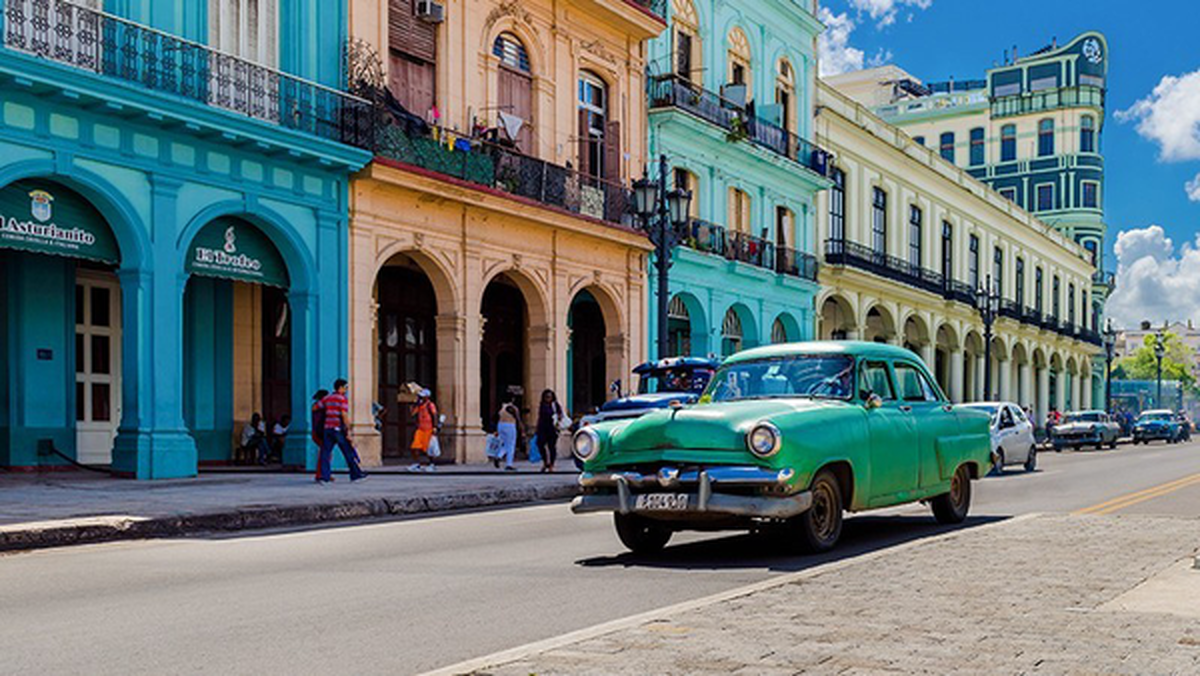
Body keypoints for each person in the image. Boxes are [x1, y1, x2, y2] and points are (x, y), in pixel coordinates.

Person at [315, 379, 367, 484]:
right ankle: (355, 475)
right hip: (338, 429)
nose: (346, 390)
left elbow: (315, 408)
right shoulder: (342, 399)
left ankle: (324, 477)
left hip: (327, 429)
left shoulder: (327, 398)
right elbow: (344, 415)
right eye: (346, 387)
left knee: (325, 453)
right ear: (341, 387)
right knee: (347, 452)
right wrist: (348, 429)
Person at [535, 389, 565, 473]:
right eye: (546, 397)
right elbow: (540, 418)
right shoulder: (542, 405)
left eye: (550, 397)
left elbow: (560, 415)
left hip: (552, 429)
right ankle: (545, 462)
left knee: (551, 447)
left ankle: (551, 465)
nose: (548, 399)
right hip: (542, 428)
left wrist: (558, 417)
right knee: (540, 444)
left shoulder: (555, 405)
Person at [409, 389, 438, 472]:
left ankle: (432, 464)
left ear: (427, 397)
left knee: (429, 448)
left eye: (422, 396)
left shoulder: (430, 405)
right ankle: (416, 464)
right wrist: (415, 404)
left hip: (429, 429)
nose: (420, 397)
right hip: (420, 429)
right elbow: (412, 413)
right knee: (415, 447)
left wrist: (435, 427)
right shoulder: (420, 405)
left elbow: (434, 415)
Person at [494, 395, 522, 471]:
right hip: (510, 425)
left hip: (500, 425)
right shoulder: (513, 408)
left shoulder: (501, 408)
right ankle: (508, 464)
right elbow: (517, 418)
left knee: (506, 444)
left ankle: (499, 456)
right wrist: (521, 427)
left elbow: (495, 417)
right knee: (511, 445)